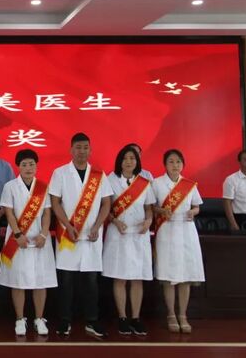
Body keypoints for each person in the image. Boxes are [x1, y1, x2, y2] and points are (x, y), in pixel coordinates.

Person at [49, 132, 113, 339]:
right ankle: (65, 321)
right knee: (66, 281)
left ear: (90, 150)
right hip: (68, 235)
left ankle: (92, 321)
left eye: (85, 147)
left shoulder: (99, 175)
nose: (82, 151)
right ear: (71, 150)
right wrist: (67, 225)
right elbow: (55, 202)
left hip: (91, 236)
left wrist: (97, 225)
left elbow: (106, 203)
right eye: (78, 147)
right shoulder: (60, 173)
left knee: (91, 282)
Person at [0, 149, 56, 337]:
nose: (28, 168)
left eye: (31, 164)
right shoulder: (10, 186)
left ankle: (39, 318)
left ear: (36, 166)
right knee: (18, 281)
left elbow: (47, 213)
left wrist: (44, 234)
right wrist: (17, 234)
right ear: (18, 167)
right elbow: (9, 213)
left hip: (39, 240)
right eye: (24, 165)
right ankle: (20, 319)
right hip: (17, 240)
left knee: (41, 281)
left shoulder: (43, 187)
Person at [102, 145, 154, 336]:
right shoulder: (110, 180)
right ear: (119, 161)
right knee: (120, 277)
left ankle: (136, 318)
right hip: (119, 234)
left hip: (139, 234)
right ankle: (123, 317)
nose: (129, 161)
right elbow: (105, 208)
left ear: (137, 161)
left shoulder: (144, 182)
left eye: (132, 158)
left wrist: (148, 221)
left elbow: (149, 208)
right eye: (125, 158)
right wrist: (115, 221)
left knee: (137, 277)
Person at [152, 149, 204, 333]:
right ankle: (171, 314)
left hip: (186, 231)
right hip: (166, 230)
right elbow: (151, 206)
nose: (175, 165)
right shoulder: (157, 183)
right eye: (171, 162)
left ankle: (183, 315)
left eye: (178, 162)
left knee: (185, 276)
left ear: (183, 164)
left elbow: (197, 206)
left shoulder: (189, 185)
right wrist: (161, 211)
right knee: (168, 275)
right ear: (165, 165)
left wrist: (193, 212)